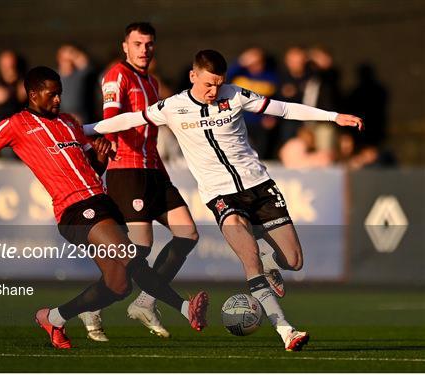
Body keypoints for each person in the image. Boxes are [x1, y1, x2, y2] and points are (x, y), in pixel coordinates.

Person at [84, 50, 364, 351]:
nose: (213, 92)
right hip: (221, 196)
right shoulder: (173, 106)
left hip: (260, 187)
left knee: (293, 261)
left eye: (218, 84)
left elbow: (282, 109)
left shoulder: (236, 95)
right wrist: (80, 131)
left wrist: (334, 117)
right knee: (249, 261)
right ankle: (286, 330)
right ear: (193, 76)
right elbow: (128, 119)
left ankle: (271, 261)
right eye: (207, 84)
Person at [0, 66, 208, 349]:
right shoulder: (15, 124)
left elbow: (91, 167)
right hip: (74, 210)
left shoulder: (70, 122)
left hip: (101, 200)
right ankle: (185, 309)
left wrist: (100, 157)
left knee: (118, 285)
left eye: (60, 94)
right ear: (32, 95)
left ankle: (54, 318)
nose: (58, 100)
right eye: (52, 95)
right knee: (128, 254)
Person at [78, 22, 199, 341]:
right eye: (137, 43)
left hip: (154, 170)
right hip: (127, 170)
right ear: (125, 46)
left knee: (187, 233)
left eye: (149, 44)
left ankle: (145, 302)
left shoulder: (151, 82)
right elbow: (111, 117)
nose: (144, 49)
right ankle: (95, 304)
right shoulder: (117, 75)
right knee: (139, 248)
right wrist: (110, 140)